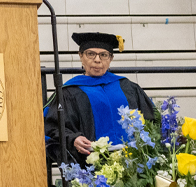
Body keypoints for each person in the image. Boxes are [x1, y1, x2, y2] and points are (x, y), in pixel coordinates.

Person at [44, 31, 159, 164]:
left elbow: (152, 123)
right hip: (91, 169)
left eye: (103, 55)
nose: (97, 60)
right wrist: (73, 139)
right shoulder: (68, 92)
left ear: (111, 58)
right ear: (81, 56)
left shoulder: (129, 88)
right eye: (90, 54)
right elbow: (52, 127)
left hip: (134, 165)